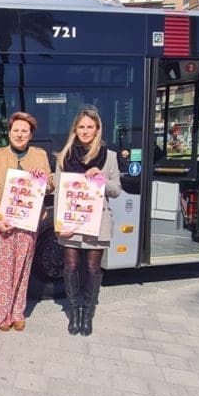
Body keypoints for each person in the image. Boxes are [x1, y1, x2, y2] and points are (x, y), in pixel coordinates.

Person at [0, 112, 54, 332]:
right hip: (3, 223)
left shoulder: (39, 155)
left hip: (28, 223)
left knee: (23, 270)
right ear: (9, 133)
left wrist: (43, 178)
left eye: (25, 131)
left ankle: (17, 313)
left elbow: (50, 186)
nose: (20, 134)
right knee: (2, 272)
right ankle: (0, 315)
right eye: (16, 130)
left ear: (31, 135)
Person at [55, 106, 121, 336]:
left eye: (89, 127)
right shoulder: (64, 156)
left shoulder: (109, 156)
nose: (85, 131)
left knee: (93, 268)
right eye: (81, 127)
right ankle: (74, 313)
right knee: (71, 267)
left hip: (97, 221)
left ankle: (87, 314)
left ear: (97, 129)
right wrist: (59, 224)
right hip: (71, 221)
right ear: (75, 129)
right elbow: (59, 192)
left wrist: (101, 178)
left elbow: (116, 190)